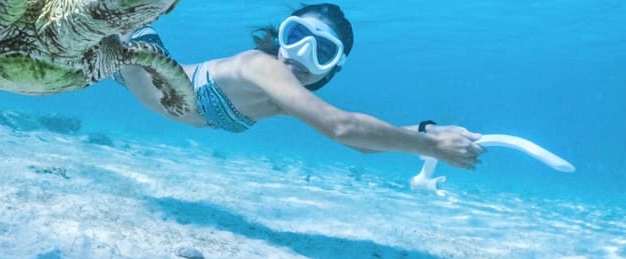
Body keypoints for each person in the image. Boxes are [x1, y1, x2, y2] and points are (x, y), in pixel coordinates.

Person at [115, 3, 483, 169]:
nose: (299, 55)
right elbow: (341, 127)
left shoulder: (283, 97)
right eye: (296, 36)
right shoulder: (261, 66)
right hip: (133, 54)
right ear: (282, 36)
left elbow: (360, 144)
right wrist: (430, 144)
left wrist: (424, 132)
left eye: (320, 50)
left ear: (332, 67)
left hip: (135, 75)